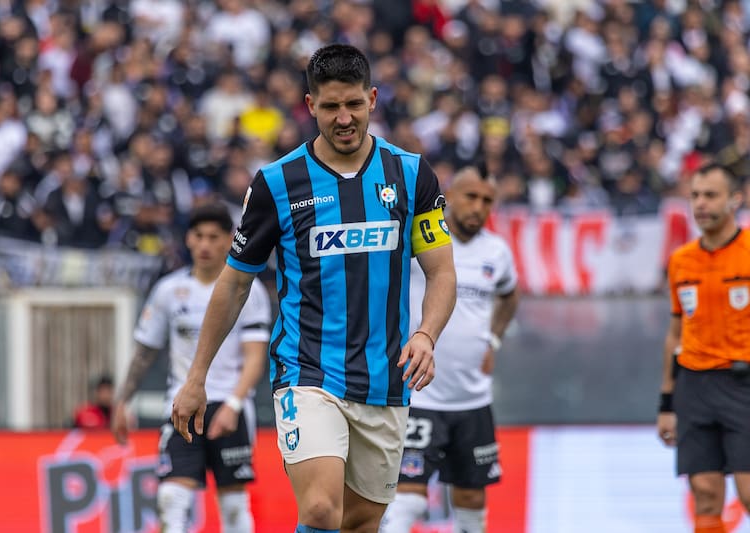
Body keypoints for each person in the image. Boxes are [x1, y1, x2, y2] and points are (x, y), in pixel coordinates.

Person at [171, 43, 457, 533]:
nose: (343, 118)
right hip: (307, 372)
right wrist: (197, 375)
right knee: (322, 510)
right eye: (330, 107)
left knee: (359, 521)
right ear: (310, 106)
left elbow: (442, 272)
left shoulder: (411, 175)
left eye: (353, 105)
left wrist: (427, 334)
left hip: (385, 380)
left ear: (372, 99)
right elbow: (235, 283)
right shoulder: (277, 183)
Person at [111, 203, 272, 533]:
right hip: (181, 407)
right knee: (171, 499)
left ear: (230, 240)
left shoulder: (248, 290)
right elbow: (145, 354)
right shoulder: (168, 291)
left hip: (229, 406)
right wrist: (122, 401)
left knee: (233, 506)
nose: (205, 245)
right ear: (187, 239)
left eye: (214, 237)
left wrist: (235, 405)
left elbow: (255, 357)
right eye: (198, 236)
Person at [380, 165, 520, 533]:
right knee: (407, 498)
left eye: (487, 200)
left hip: (472, 399)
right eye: (471, 197)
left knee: (473, 499)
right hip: (420, 395)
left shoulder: (498, 252)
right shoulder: (420, 241)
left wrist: (493, 339)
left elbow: (509, 294)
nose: (479, 207)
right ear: (450, 197)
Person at [657, 163, 750, 533]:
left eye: (711, 195)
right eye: (695, 195)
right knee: (706, 493)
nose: (701, 204)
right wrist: (666, 402)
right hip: (694, 387)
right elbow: (674, 332)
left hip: (743, 385)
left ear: (734, 201)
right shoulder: (681, 261)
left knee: (747, 492)